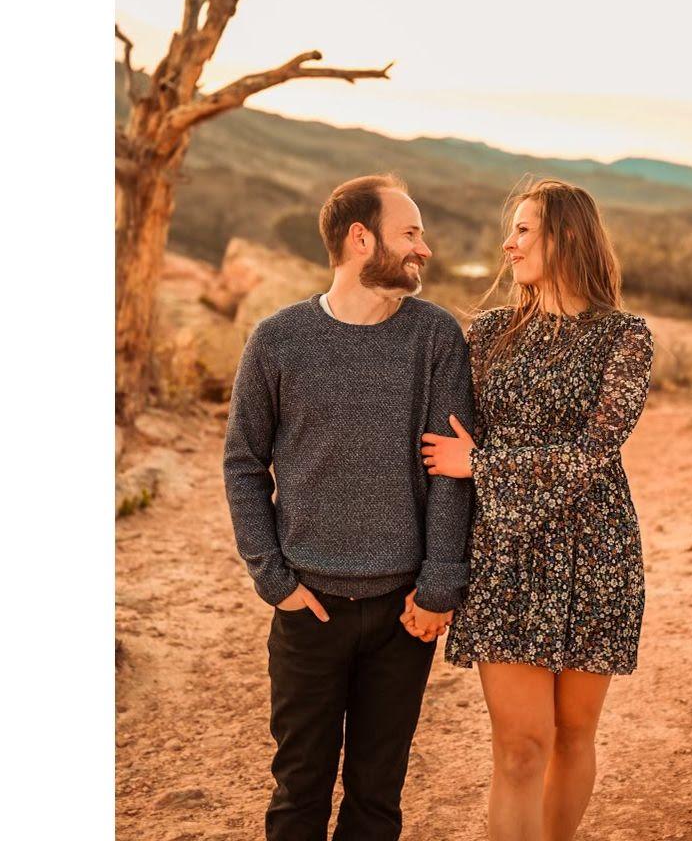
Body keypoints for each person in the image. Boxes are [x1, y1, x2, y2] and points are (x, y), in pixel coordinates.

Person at [223, 172, 474, 841]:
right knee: (298, 791)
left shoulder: (436, 338)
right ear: (362, 239)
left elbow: (451, 473)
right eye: (410, 233)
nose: (424, 248)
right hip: (309, 607)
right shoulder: (278, 340)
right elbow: (243, 462)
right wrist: (274, 580)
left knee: (376, 797)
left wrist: (439, 584)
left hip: (403, 615)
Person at [418, 178, 654, 841]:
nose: (509, 243)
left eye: (523, 230)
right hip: (504, 556)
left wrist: (483, 465)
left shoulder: (625, 337)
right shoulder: (487, 333)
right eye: (512, 230)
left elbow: (594, 452)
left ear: (567, 236)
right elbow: (448, 444)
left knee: (574, 735)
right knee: (521, 748)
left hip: (595, 553)